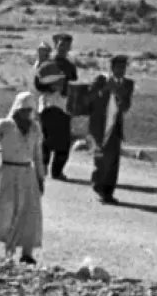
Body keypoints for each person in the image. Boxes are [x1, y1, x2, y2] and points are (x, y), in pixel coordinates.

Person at [0, 91, 46, 264]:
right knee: (3, 209)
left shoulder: (35, 128)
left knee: (30, 213)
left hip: (27, 175)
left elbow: (37, 155)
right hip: (8, 172)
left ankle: (27, 253)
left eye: (30, 110)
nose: (27, 113)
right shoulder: (5, 125)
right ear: (17, 109)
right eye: (24, 109)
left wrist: (40, 177)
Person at [89, 54, 134, 205]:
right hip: (100, 125)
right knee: (101, 157)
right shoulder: (101, 80)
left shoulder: (128, 84)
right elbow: (90, 96)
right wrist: (105, 88)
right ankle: (98, 185)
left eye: (123, 67)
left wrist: (119, 93)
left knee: (113, 161)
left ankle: (108, 192)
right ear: (112, 67)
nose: (121, 70)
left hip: (115, 126)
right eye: (118, 67)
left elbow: (126, 106)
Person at [35, 34, 80, 180]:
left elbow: (73, 86)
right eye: (61, 45)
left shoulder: (70, 66)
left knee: (64, 140)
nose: (63, 48)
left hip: (64, 107)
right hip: (48, 105)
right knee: (47, 138)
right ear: (56, 46)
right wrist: (51, 87)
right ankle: (42, 166)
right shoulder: (46, 63)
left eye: (66, 46)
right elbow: (38, 83)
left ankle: (57, 171)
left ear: (69, 48)